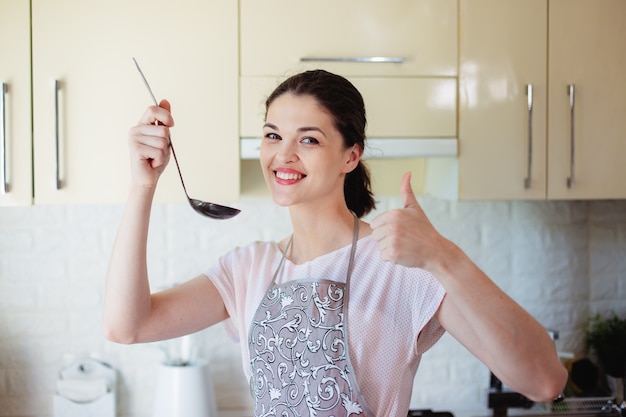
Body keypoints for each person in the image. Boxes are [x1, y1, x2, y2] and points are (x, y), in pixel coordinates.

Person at [104, 69, 567, 416]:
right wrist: (142, 186)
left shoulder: (401, 264)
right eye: (272, 135)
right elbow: (128, 327)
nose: (283, 154)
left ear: (351, 155)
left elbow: (544, 381)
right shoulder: (247, 269)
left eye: (308, 139)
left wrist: (445, 257)